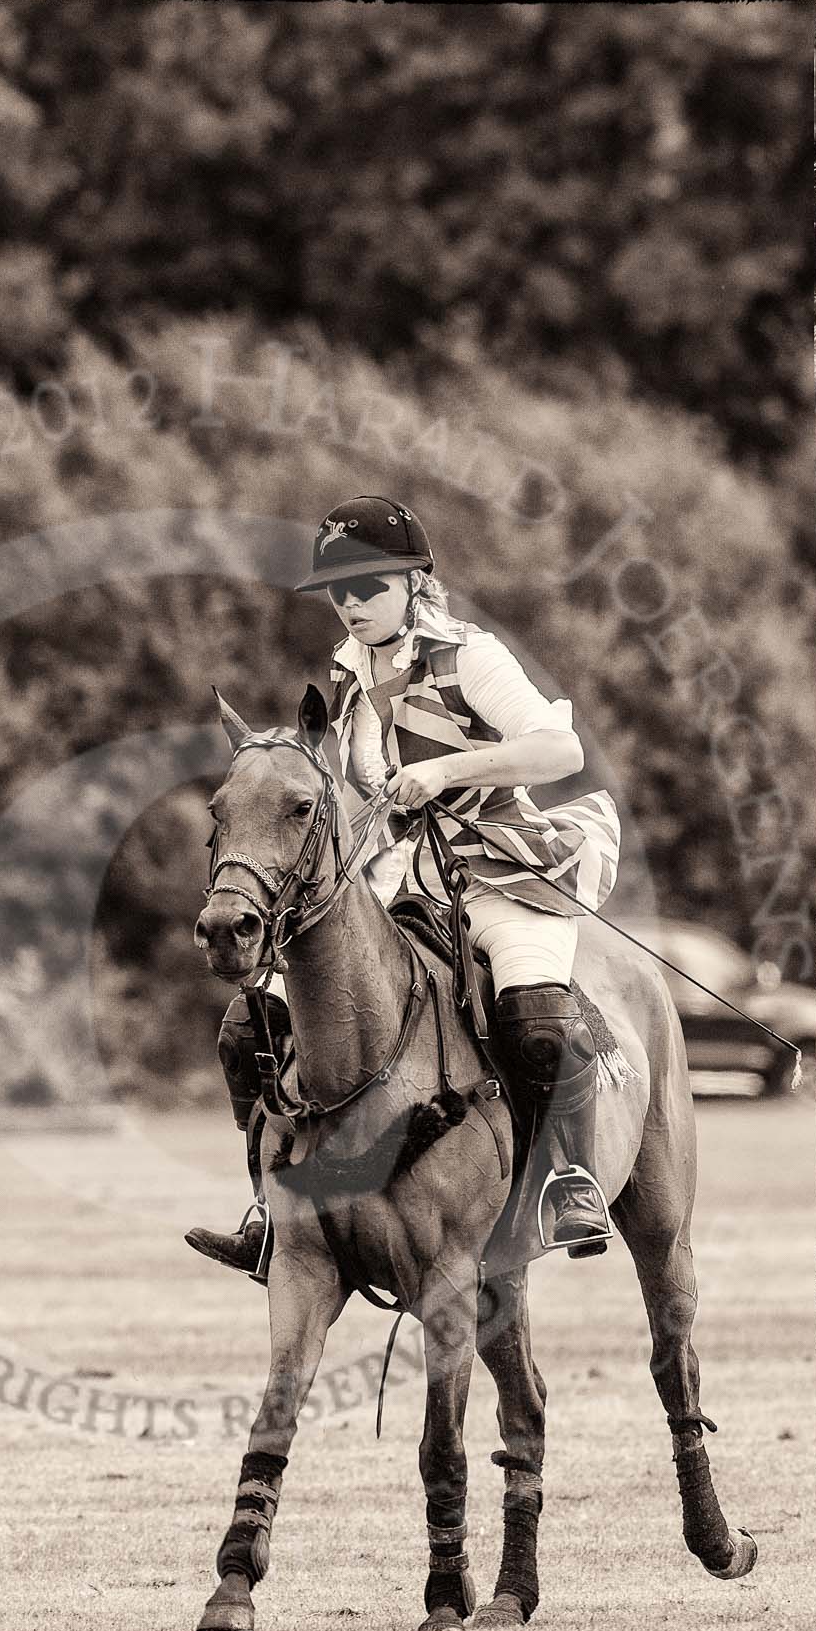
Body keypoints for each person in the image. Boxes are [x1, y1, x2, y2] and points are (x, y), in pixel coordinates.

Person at [186, 493, 622, 1280]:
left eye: (369, 587)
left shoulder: (470, 654)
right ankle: (269, 1209)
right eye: (340, 591)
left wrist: (446, 770)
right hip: (396, 876)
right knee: (244, 1030)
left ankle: (570, 1177)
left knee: (531, 1010)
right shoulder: (345, 681)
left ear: (413, 582)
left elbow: (557, 751)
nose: (351, 605)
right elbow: (348, 800)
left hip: (500, 865)